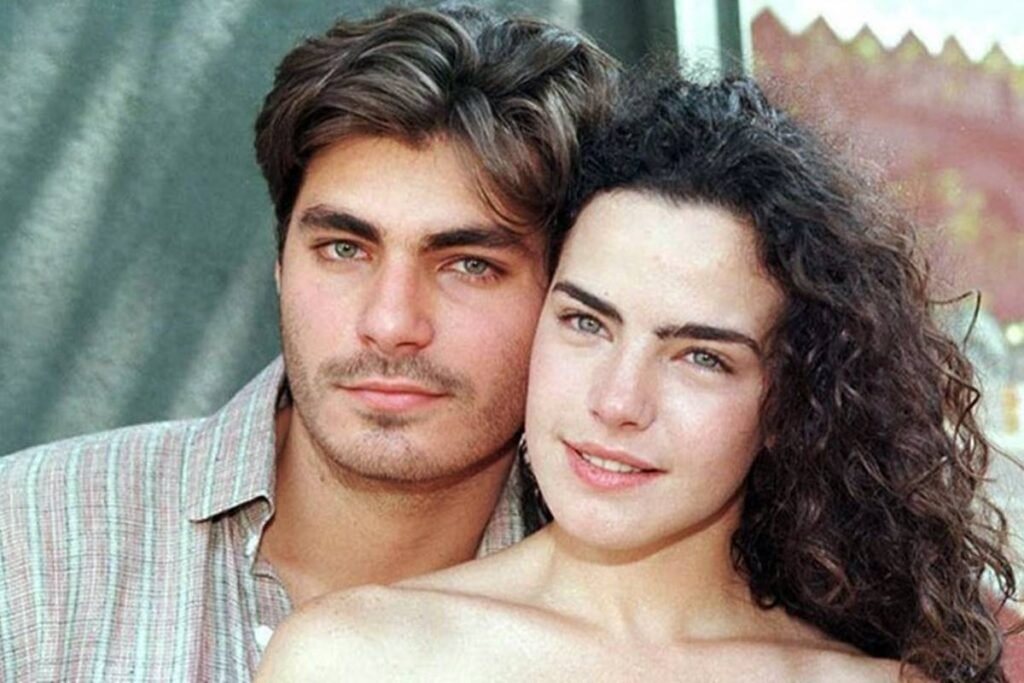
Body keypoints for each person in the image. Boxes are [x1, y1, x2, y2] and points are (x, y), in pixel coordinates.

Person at [255, 71, 1018, 682]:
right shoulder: (349, 657)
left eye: (701, 356)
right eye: (587, 323)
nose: (618, 402)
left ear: (792, 400)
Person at [0, 4, 617, 680]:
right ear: (280, 264)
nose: (390, 323)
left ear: (569, 300)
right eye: (345, 249)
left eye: (469, 264)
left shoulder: (632, 631)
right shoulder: (26, 543)